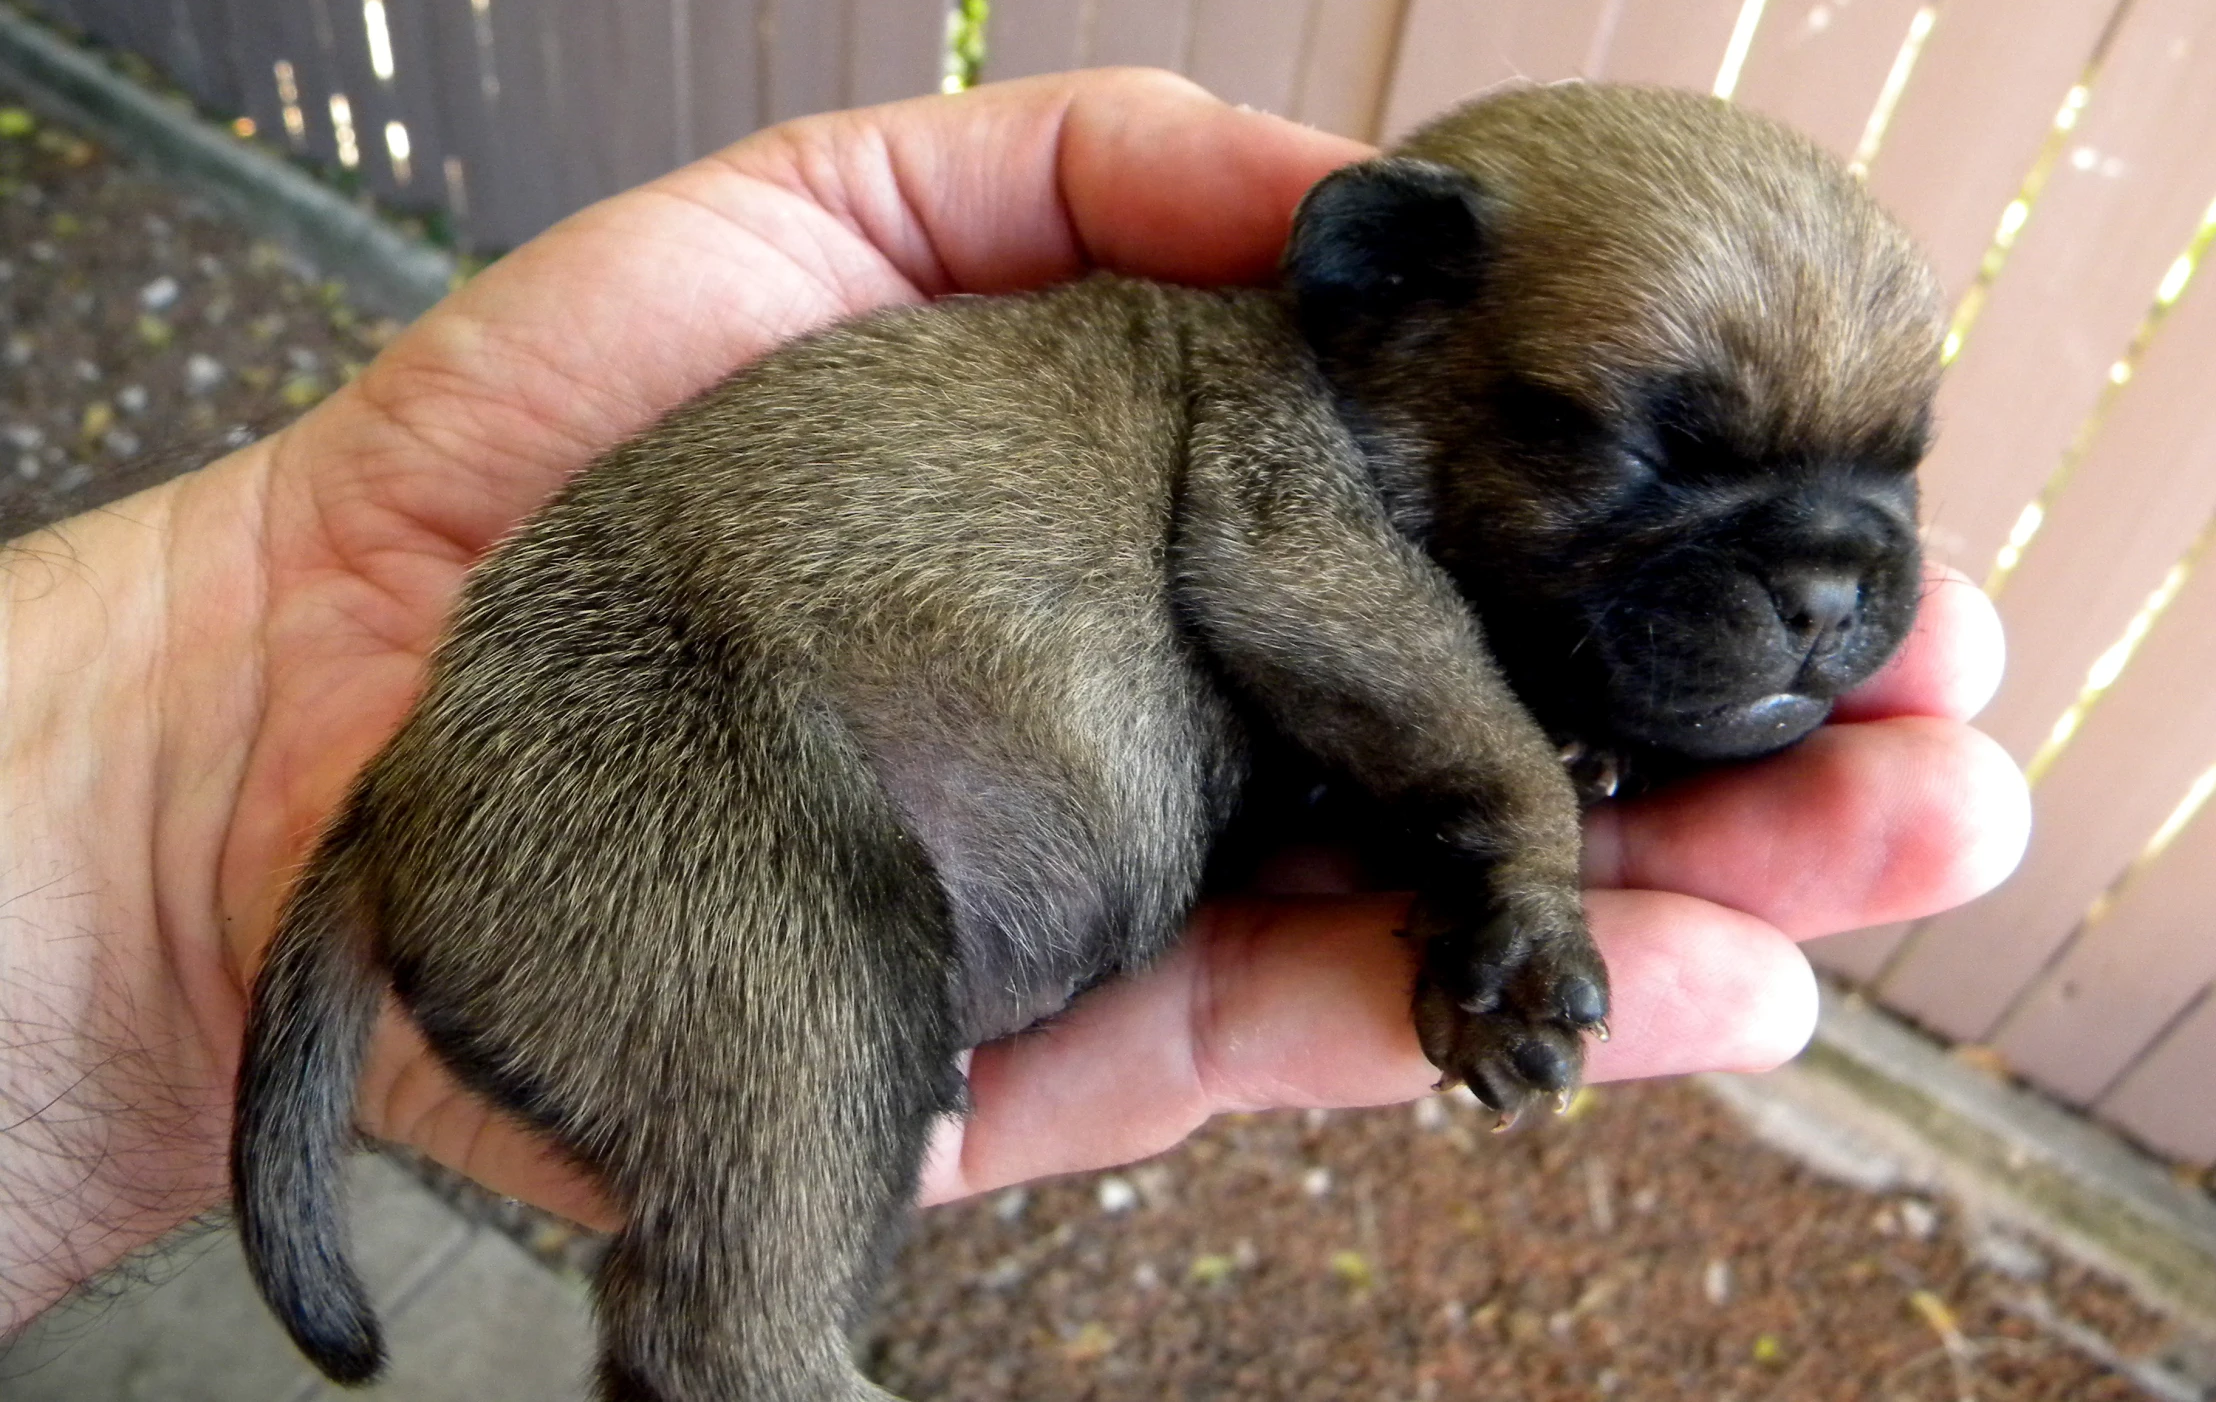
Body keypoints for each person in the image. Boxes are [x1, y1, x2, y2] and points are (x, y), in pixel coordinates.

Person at [0, 68, 2026, 1334]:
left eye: (1877, 489)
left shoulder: (1422, 507)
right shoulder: (1257, 416)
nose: (1829, 590)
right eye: (1646, 456)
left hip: (692, 827)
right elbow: (1300, 591)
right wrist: (1507, 828)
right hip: (666, 733)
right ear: (1381, 291)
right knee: (807, 1008)